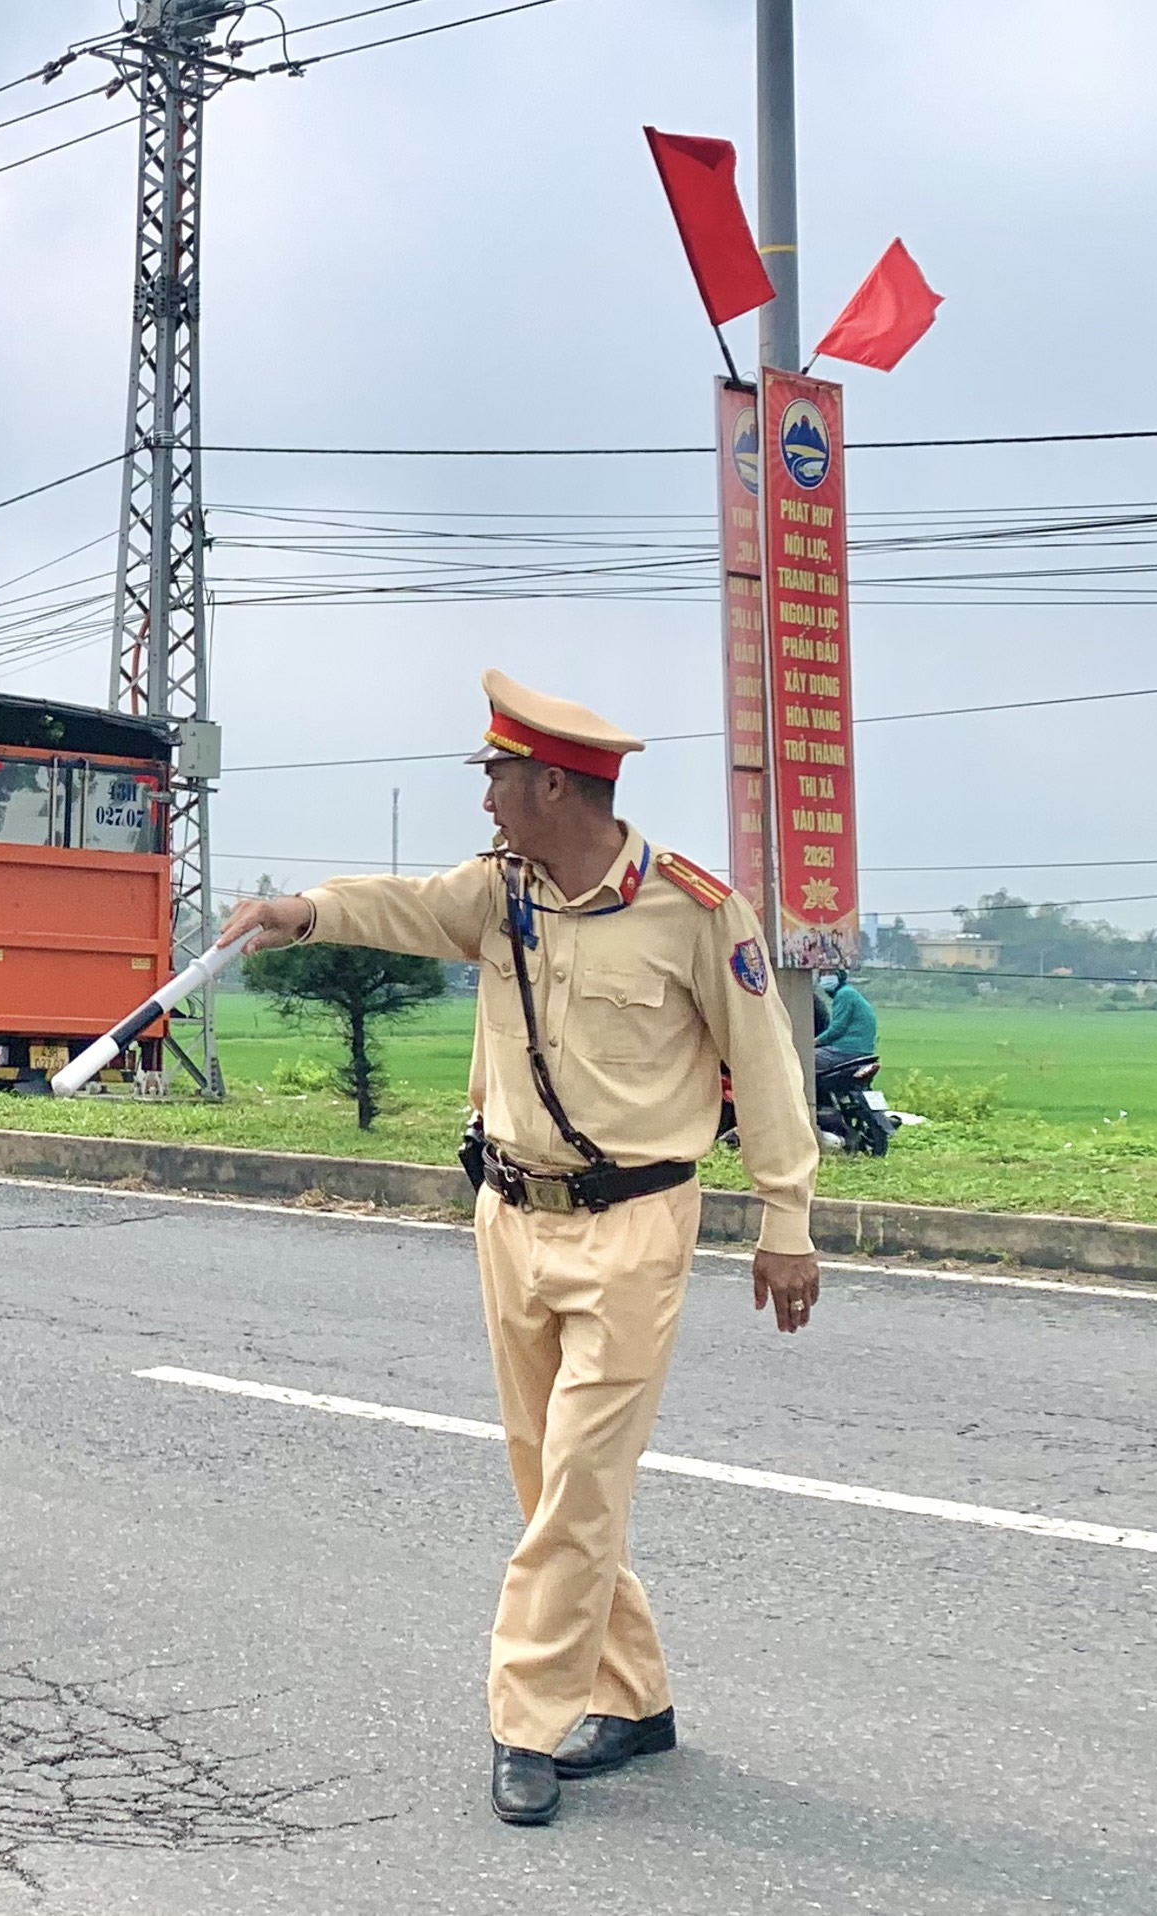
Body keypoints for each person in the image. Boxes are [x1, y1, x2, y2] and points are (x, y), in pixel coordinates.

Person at [217, 670, 821, 1829]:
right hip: (508, 1216)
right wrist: (303, 908)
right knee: (551, 1480)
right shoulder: (502, 894)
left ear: (552, 782)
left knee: (584, 1480)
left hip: (638, 1223)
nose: (486, 796)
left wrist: (785, 1222)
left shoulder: (697, 911)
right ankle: (634, 1697)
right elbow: (401, 907)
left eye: (497, 775)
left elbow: (773, 1071)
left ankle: (526, 1717)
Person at [817, 968, 878, 1066]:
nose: (826, 977)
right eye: (823, 974)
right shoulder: (849, 992)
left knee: (806, 1058)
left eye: (831, 973)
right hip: (862, 1049)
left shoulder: (844, 994)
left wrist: (814, 1042)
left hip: (848, 1050)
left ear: (840, 976)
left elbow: (837, 1028)